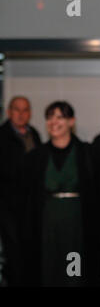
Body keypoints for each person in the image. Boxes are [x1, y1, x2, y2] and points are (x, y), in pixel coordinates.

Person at [20, 101, 100, 286]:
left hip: (77, 223)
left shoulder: (87, 153)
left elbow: (99, 196)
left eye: (60, 117)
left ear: (71, 121)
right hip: (46, 222)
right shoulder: (36, 156)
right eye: (49, 117)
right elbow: (27, 198)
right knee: (49, 267)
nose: (53, 121)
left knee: (75, 268)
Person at [0, 96, 41, 286]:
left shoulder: (35, 134)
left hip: (31, 204)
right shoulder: (2, 136)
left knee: (30, 248)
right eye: (17, 109)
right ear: (8, 112)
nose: (21, 114)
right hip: (9, 205)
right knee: (13, 251)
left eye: (25, 109)